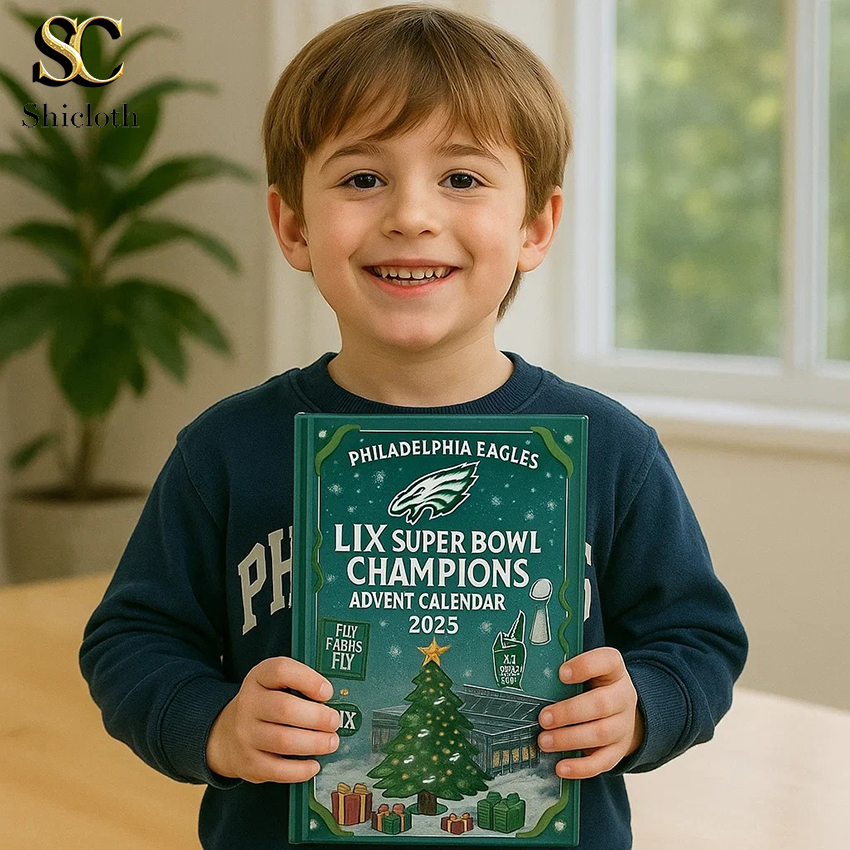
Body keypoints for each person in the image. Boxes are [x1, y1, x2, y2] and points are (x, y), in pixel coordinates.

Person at [79, 4, 748, 849]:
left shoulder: (610, 449)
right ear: (294, 225)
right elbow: (133, 640)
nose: (410, 215)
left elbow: (698, 639)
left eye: (461, 179)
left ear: (536, 225)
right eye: (363, 179)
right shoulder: (227, 449)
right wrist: (212, 724)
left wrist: (644, 706)